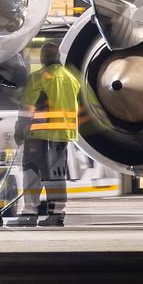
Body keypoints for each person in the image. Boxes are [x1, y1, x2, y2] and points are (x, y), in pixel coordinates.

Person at [14, 42, 84, 226]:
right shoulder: (71, 79)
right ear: (58, 57)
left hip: (39, 135)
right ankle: (57, 214)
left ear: (44, 58)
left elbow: (27, 108)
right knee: (57, 174)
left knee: (32, 172)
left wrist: (19, 130)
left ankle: (29, 213)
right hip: (62, 135)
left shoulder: (39, 78)